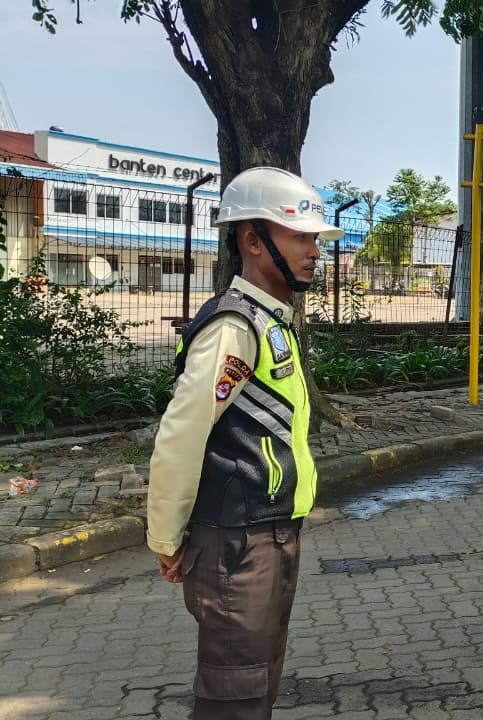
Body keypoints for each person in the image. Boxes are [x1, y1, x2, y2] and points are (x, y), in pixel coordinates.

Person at [146, 166, 343, 720]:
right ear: (253, 242)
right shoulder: (235, 327)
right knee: (235, 698)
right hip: (238, 543)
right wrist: (166, 535)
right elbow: (182, 434)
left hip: (269, 533)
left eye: (315, 238)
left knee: (257, 685)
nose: (314, 251)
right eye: (299, 236)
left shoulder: (270, 321)